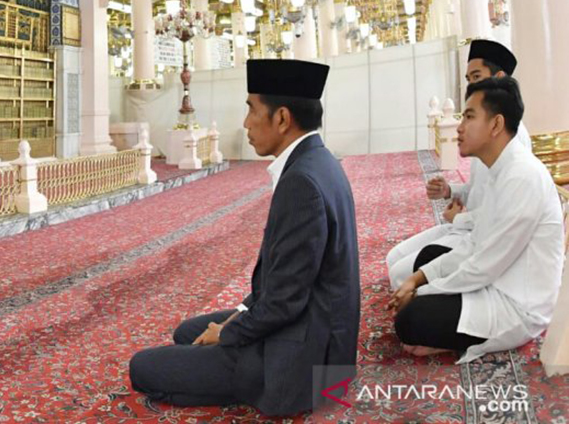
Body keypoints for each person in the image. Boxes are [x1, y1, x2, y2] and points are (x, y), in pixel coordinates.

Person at [129, 59, 360, 416]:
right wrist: (235, 316)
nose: (245, 122)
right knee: (186, 332)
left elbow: (284, 303)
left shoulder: (302, 183)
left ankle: (241, 384)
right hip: (314, 332)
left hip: (301, 359)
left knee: (142, 368)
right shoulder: (319, 161)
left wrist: (226, 334)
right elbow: (283, 284)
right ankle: (218, 367)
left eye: (251, 109)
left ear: (282, 118)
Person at [389, 76, 564, 362]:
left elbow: (485, 266)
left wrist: (421, 293)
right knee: (426, 262)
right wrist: (417, 279)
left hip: (517, 304)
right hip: (496, 278)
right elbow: (475, 246)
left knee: (410, 319)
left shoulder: (522, 177)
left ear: (495, 124)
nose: (459, 128)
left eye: (469, 117)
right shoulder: (502, 169)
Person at [386, 39, 531, 290]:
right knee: (393, 260)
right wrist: (450, 190)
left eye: (477, 77)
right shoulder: (484, 134)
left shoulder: (511, 139)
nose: (471, 86)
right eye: (468, 79)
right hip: (463, 226)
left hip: (476, 235)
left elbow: (500, 217)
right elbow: (479, 189)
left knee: (401, 277)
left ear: (498, 78)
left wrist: (460, 219)